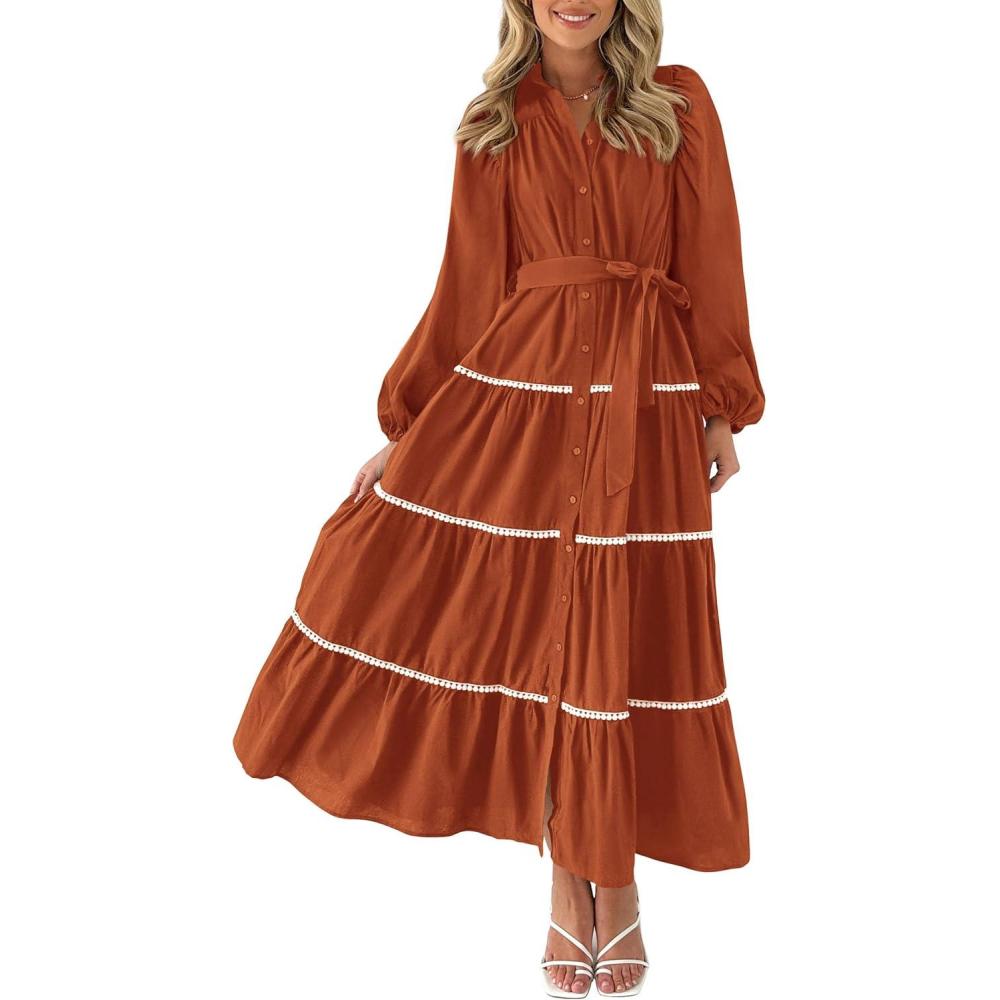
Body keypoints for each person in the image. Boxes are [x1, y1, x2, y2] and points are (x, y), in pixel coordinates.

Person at [233, 1, 764, 995]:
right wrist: (409, 430)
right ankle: (569, 874)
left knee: (621, 632)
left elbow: (711, 255)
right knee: (542, 635)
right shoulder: (494, 124)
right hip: (524, 401)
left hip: (645, 398)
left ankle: (617, 875)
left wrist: (722, 404)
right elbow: (469, 291)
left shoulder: (678, 103)